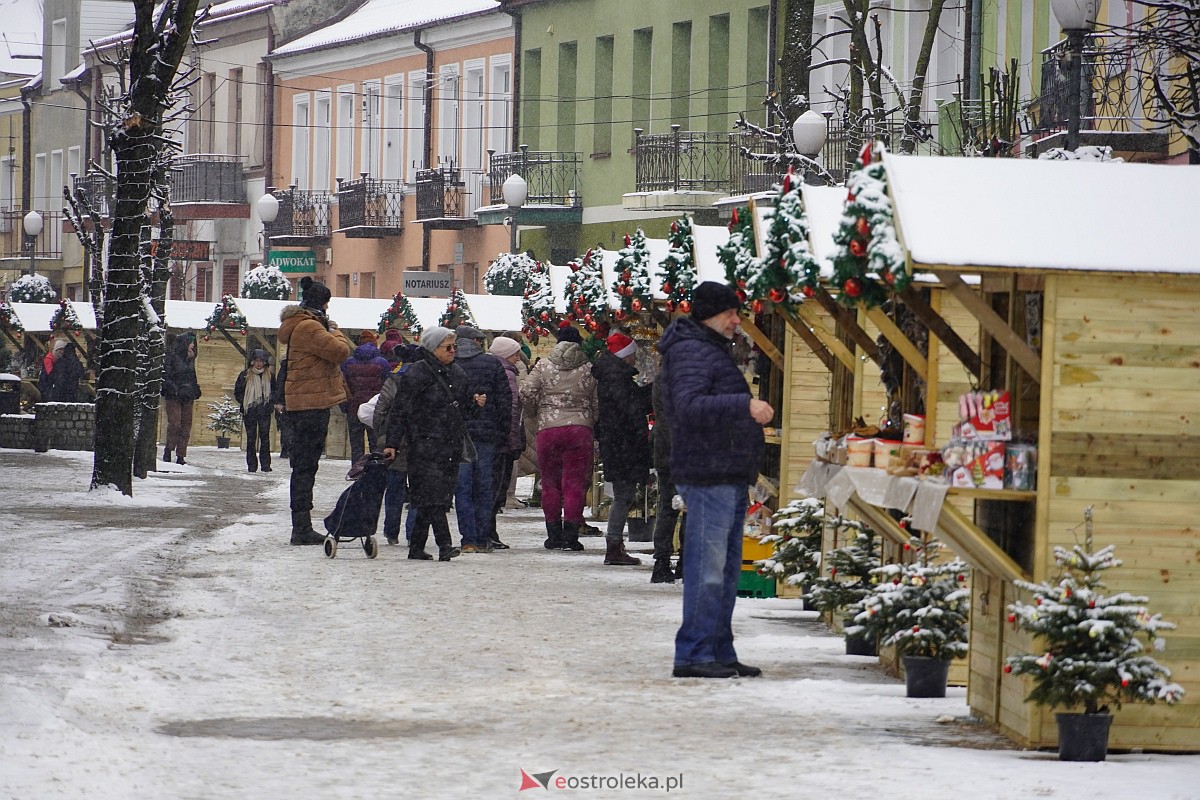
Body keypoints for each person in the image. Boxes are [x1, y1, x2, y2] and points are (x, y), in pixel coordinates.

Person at [658, 281, 774, 680]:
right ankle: (694, 653)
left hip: (723, 470)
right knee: (708, 568)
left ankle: (718, 649)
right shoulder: (692, 350)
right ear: (712, 314)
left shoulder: (706, 349)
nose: (737, 320)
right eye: (731, 313)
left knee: (723, 572)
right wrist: (746, 404)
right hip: (707, 472)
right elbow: (689, 406)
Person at [383, 327, 484, 562]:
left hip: (450, 444)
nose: (452, 351)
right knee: (433, 497)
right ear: (432, 348)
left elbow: (463, 410)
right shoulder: (417, 374)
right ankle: (444, 544)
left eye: (454, 347)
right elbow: (399, 411)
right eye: (447, 347)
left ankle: (416, 548)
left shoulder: (457, 373)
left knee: (430, 497)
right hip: (422, 442)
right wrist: (392, 443)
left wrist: (475, 404)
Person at [278, 277, 352, 546]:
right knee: (305, 467)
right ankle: (301, 528)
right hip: (310, 405)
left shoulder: (300, 324)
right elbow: (341, 352)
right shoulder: (309, 327)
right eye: (327, 303)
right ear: (321, 303)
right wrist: (335, 330)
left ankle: (301, 525)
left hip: (304, 404)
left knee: (304, 466)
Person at [519, 322, 597, 552]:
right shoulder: (588, 368)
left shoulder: (543, 366)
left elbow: (526, 391)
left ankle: (553, 535)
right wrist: (590, 418)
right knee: (575, 483)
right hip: (580, 429)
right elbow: (596, 401)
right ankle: (571, 535)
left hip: (548, 428)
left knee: (550, 483)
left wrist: (536, 411)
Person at [591, 331, 651, 566]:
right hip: (623, 445)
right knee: (623, 496)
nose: (635, 359)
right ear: (624, 356)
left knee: (622, 495)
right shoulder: (618, 380)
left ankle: (615, 546)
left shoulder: (612, 377)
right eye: (633, 355)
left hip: (615, 443)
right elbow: (631, 410)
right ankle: (614, 546)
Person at [452, 325, 511, 553]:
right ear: (477, 341)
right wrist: (504, 431)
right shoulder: (492, 363)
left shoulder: (450, 364)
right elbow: (506, 402)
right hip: (487, 435)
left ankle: (468, 538)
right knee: (484, 487)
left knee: (463, 487)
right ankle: (484, 535)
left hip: (458, 434)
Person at [487, 336, 525, 549]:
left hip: (495, 438)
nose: (518, 357)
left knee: (491, 488)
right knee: (496, 488)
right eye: (515, 353)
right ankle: (489, 531)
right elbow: (510, 410)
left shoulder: (496, 370)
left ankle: (488, 530)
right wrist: (512, 440)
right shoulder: (507, 374)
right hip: (502, 440)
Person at [650, 378, 683, 583]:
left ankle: (661, 562)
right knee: (690, 507)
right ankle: (685, 563)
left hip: (664, 447)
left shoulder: (663, 378)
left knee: (667, 506)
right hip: (687, 449)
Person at [341, 330, 391, 462]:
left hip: (354, 406)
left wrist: (345, 405)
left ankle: (356, 470)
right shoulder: (382, 363)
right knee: (375, 443)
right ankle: (375, 470)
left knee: (356, 443)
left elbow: (342, 384)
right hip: (374, 408)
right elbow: (387, 386)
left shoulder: (348, 363)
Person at [234, 349, 277, 473]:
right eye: (257, 361)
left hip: (264, 410)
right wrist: (246, 401)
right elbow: (238, 391)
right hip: (250, 411)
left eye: (261, 361)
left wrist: (269, 404)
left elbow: (274, 392)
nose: (259, 364)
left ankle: (265, 465)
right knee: (251, 438)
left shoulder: (269, 376)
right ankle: (252, 465)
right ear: (252, 362)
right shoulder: (245, 375)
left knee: (265, 437)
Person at [162, 333, 201, 465]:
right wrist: (175, 389)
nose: (193, 346)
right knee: (175, 424)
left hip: (187, 395)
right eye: (191, 343)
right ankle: (169, 449)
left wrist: (195, 389)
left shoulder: (191, 359)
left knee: (186, 426)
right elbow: (166, 376)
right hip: (174, 395)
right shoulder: (172, 357)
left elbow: (192, 377)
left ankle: (181, 455)